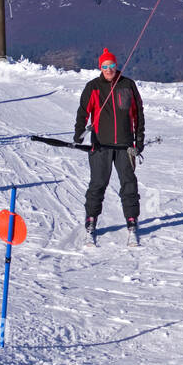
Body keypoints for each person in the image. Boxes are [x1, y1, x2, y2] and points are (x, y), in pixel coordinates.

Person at [74, 49, 145, 244]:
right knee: (97, 185)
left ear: (116, 66)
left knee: (129, 184)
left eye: (111, 66)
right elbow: (83, 111)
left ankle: (131, 221)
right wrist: (79, 133)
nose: (109, 69)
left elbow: (138, 113)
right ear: (100, 67)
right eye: (105, 66)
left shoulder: (127, 85)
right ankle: (91, 221)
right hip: (101, 146)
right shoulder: (93, 87)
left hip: (125, 146)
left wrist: (139, 140)